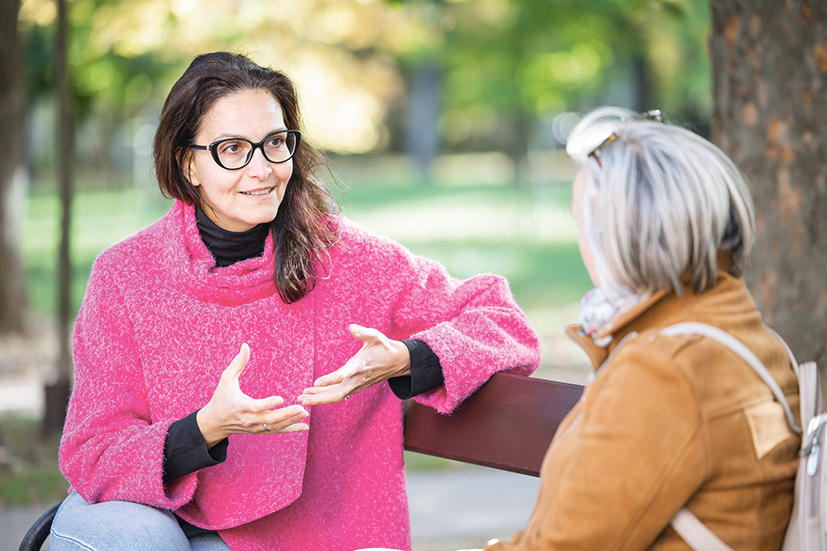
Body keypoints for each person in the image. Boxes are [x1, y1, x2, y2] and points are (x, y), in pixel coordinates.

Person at [50, 52, 540, 551]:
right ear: (187, 163)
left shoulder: (351, 261)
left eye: (275, 144)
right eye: (233, 149)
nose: (262, 169)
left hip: (303, 535)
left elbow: (502, 320)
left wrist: (408, 359)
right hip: (160, 522)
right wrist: (203, 430)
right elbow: (94, 449)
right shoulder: (126, 275)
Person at [479, 107, 801, 550]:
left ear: (622, 237)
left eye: (582, 225)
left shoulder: (664, 372)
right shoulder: (742, 336)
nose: (581, 243)